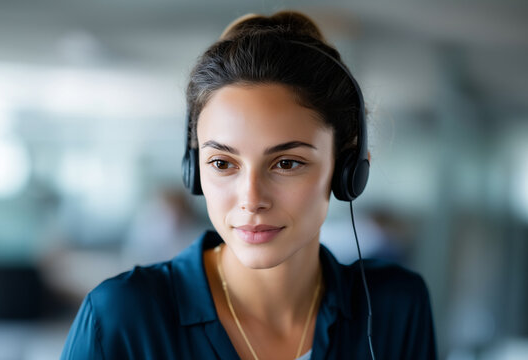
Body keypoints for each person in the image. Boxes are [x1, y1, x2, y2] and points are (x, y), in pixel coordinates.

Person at [61, 10, 437, 360]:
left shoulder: (394, 308)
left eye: (287, 163)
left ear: (349, 170)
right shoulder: (120, 318)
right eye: (222, 163)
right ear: (195, 169)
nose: (251, 199)